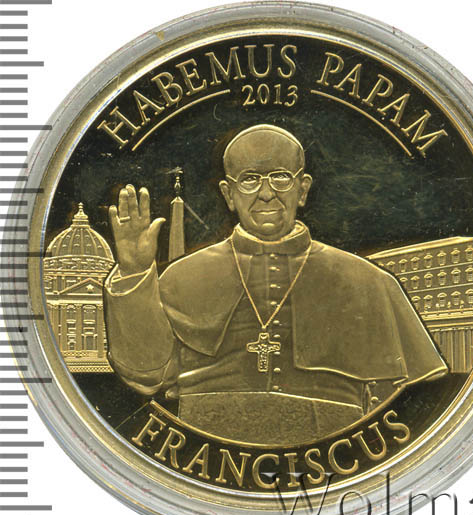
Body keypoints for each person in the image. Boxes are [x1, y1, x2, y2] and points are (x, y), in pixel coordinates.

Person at [104, 124, 447, 445]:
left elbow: (401, 402)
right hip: (209, 446)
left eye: (281, 177)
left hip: (331, 450)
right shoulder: (182, 278)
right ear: (228, 194)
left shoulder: (366, 281)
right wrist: (134, 273)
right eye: (250, 180)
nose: (266, 194)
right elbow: (146, 376)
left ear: (303, 189)